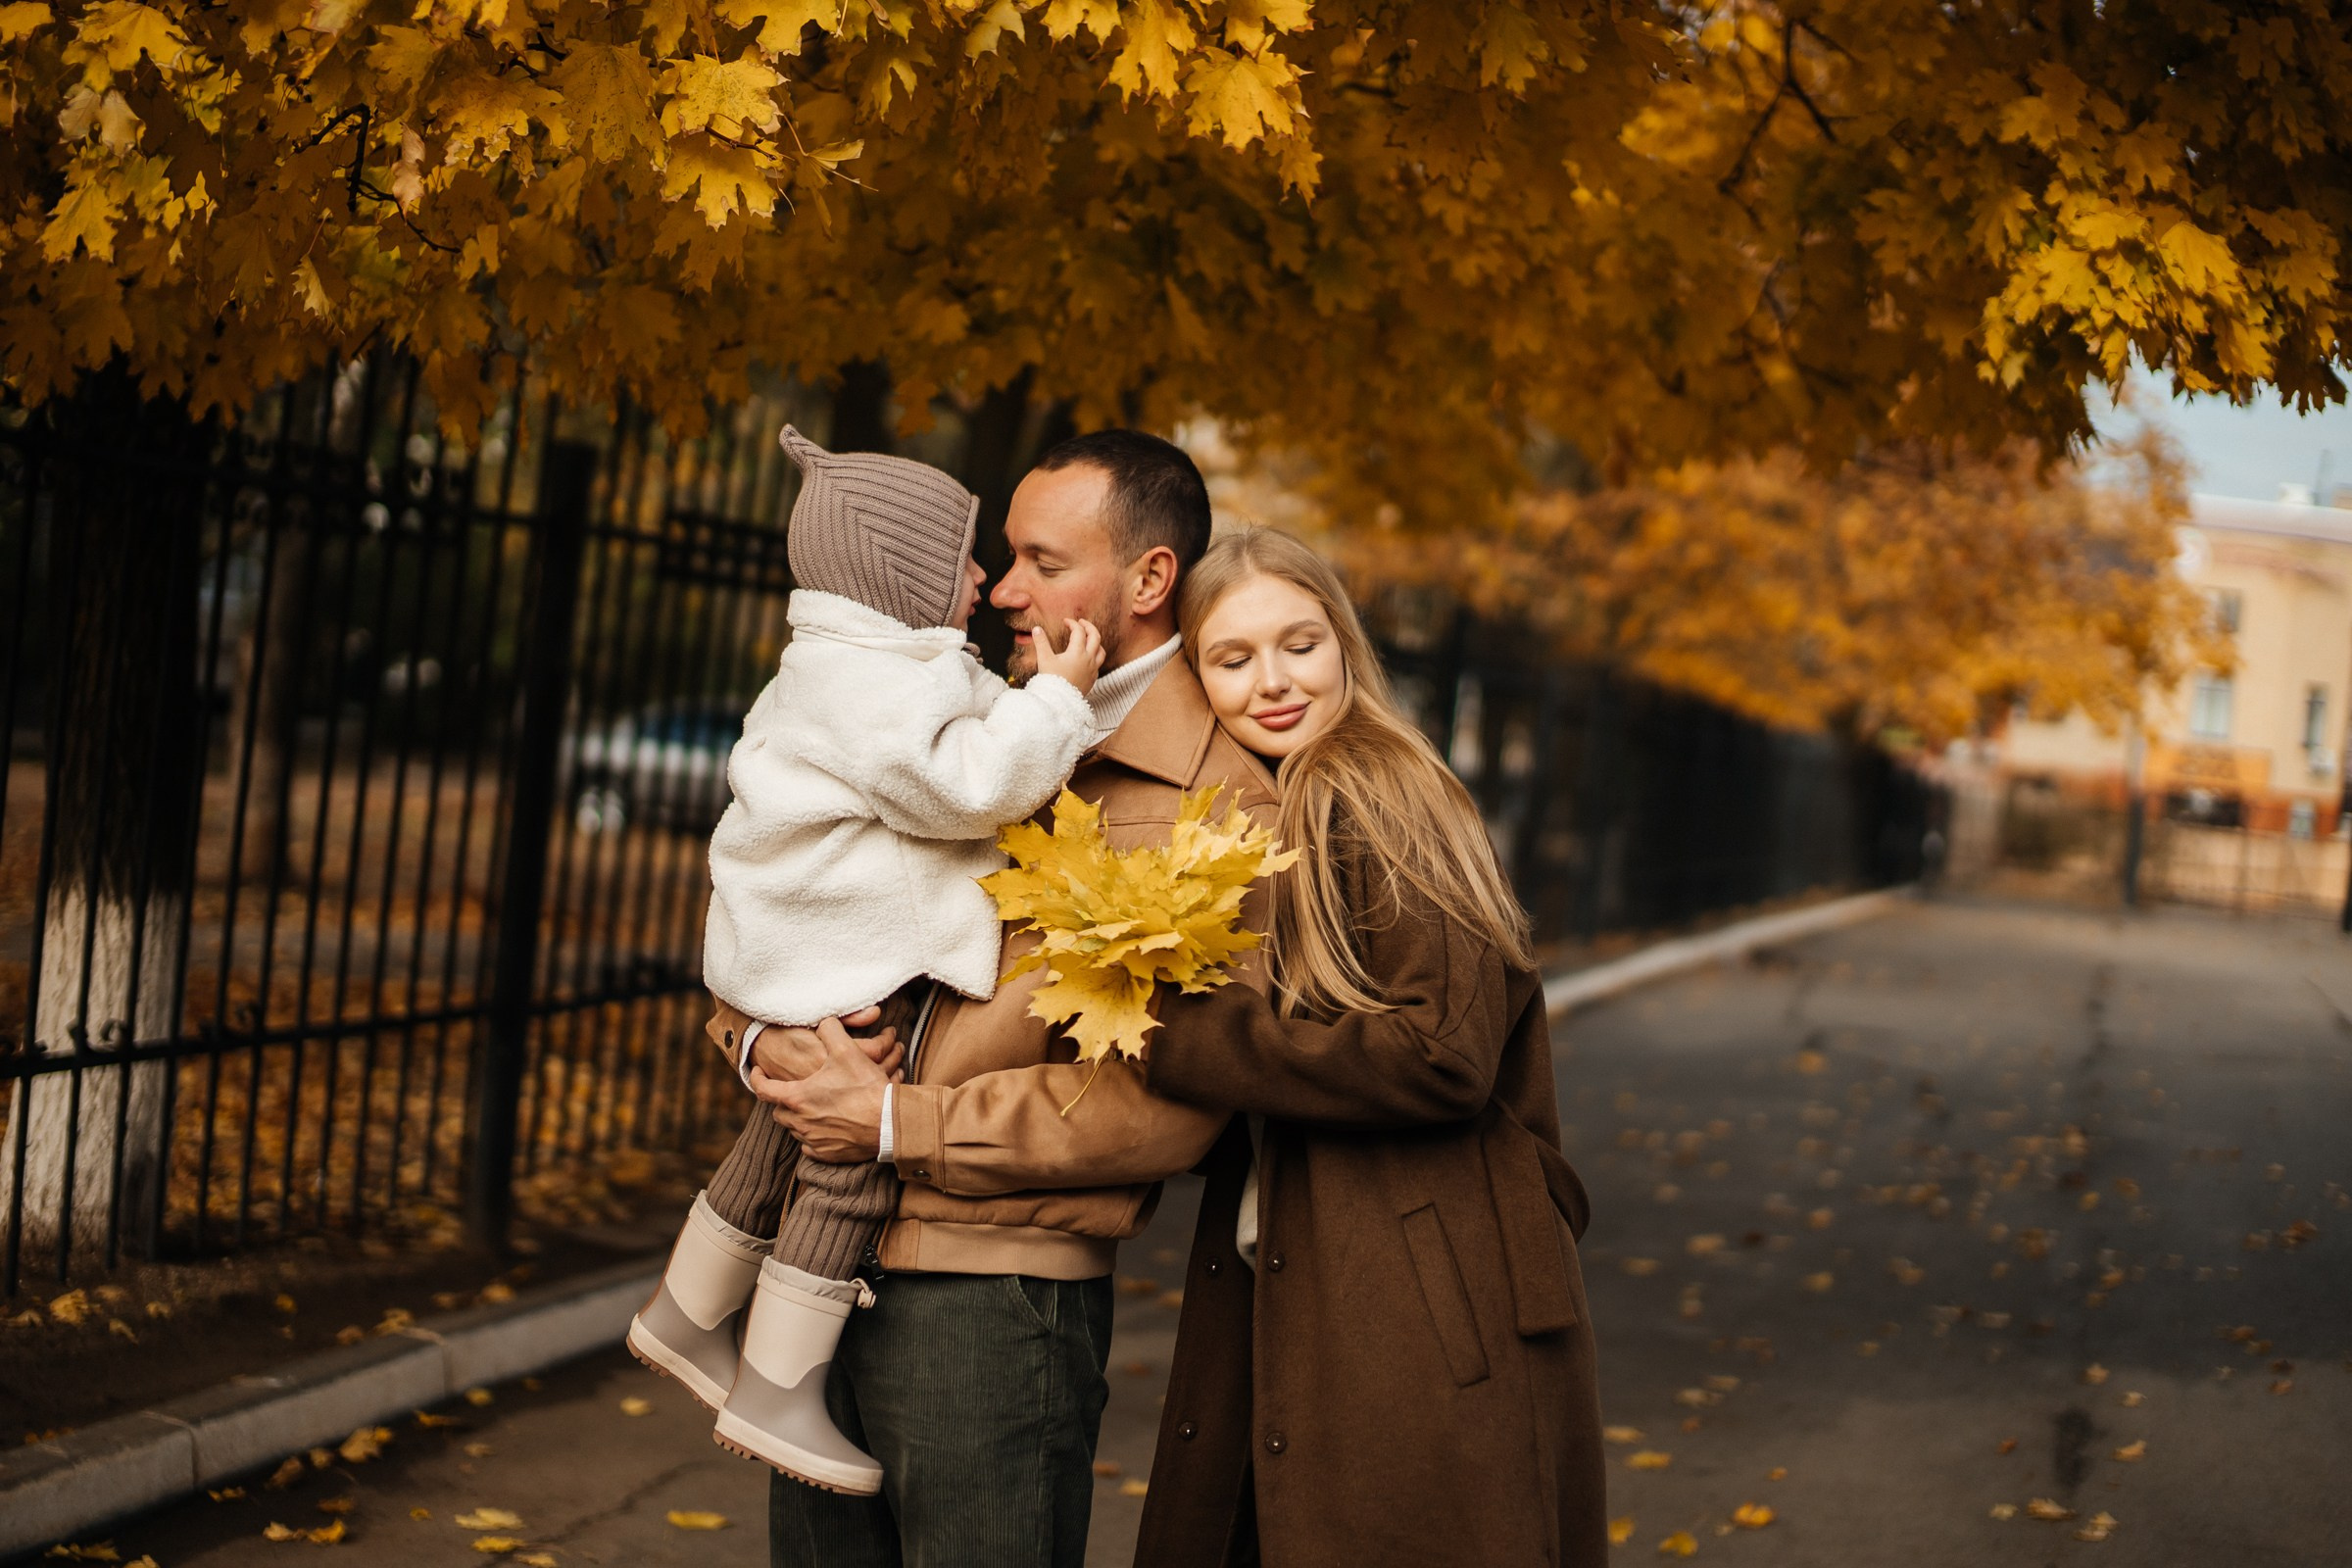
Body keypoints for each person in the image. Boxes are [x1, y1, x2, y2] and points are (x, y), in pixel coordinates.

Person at [733, 430, 1284, 1568]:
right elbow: (782, 894)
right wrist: (759, 1044)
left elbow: (1166, 1105)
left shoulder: (1219, 795)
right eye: (1006, 556)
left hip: (992, 1300)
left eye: (1044, 561)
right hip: (817, 1257)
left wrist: (895, 1123)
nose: (1003, 590)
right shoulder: (953, 722)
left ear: (1150, 578)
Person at [626, 427, 1106, 1494]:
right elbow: (970, 787)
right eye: (966, 560)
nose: (985, 583)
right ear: (900, 576)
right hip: (828, 945)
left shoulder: (862, 665)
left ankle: (690, 1310)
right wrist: (1060, 702)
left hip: (805, 938)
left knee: (785, 1126)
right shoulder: (870, 681)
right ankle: (779, 1385)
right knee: (847, 1151)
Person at [1130, 527, 1608, 1567]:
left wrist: (1190, 1040)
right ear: (1196, 679)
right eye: (1233, 657)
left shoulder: (1377, 787)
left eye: (1299, 644)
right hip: (1350, 1273)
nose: (1273, 681)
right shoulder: (1278, 801)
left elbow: (1443, 1053)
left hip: (1421, 1295)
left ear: (1344, 642)